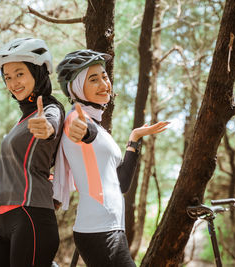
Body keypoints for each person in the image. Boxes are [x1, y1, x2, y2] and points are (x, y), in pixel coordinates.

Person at [53, 50, 169, 267]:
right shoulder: (76, 120)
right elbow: (83, 131)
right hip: (99, 230)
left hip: (111, 227)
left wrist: (135, 137)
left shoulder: (100, 128)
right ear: (76, 88)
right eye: (93, 79)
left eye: (104, 76)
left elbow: (122, 183)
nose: (104, 83)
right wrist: (83, 131)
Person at [0, 37, 65, 267]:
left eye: (20, 73)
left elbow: (50, 125)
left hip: (31, 218)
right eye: (7, 77)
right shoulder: (22, 120)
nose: (13, 82)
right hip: (4, 221)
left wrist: (47, 129)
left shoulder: (50, 109)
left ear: (38, 72)